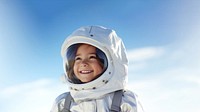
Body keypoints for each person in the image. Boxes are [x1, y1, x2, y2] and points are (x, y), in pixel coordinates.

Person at [51, 25, 144, 112]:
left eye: (92, 57)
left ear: (111, 62)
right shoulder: (63, 103)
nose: (83, 63)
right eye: (78, 58)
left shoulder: (125, 101)